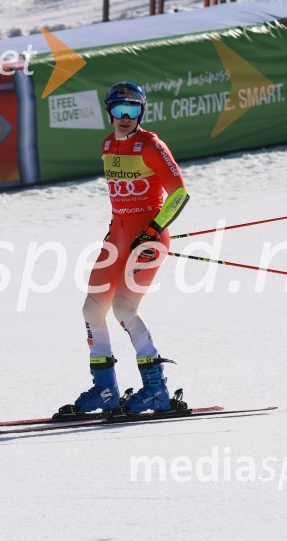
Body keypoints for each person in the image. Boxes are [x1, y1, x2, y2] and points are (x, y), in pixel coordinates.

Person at [70, 81, 190, 415]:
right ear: (109, 112)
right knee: (92, 309)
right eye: (119, 110)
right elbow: (120, 199)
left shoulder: (151, 145)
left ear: (142, 112)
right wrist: (116, 232)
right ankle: (105, 390)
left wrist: (153, 230)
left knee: (123, 308)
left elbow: (179, 193)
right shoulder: (108, 144)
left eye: (133, 110)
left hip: (148, 241)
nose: (125, 117)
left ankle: (156, 390)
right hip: (118, 239)